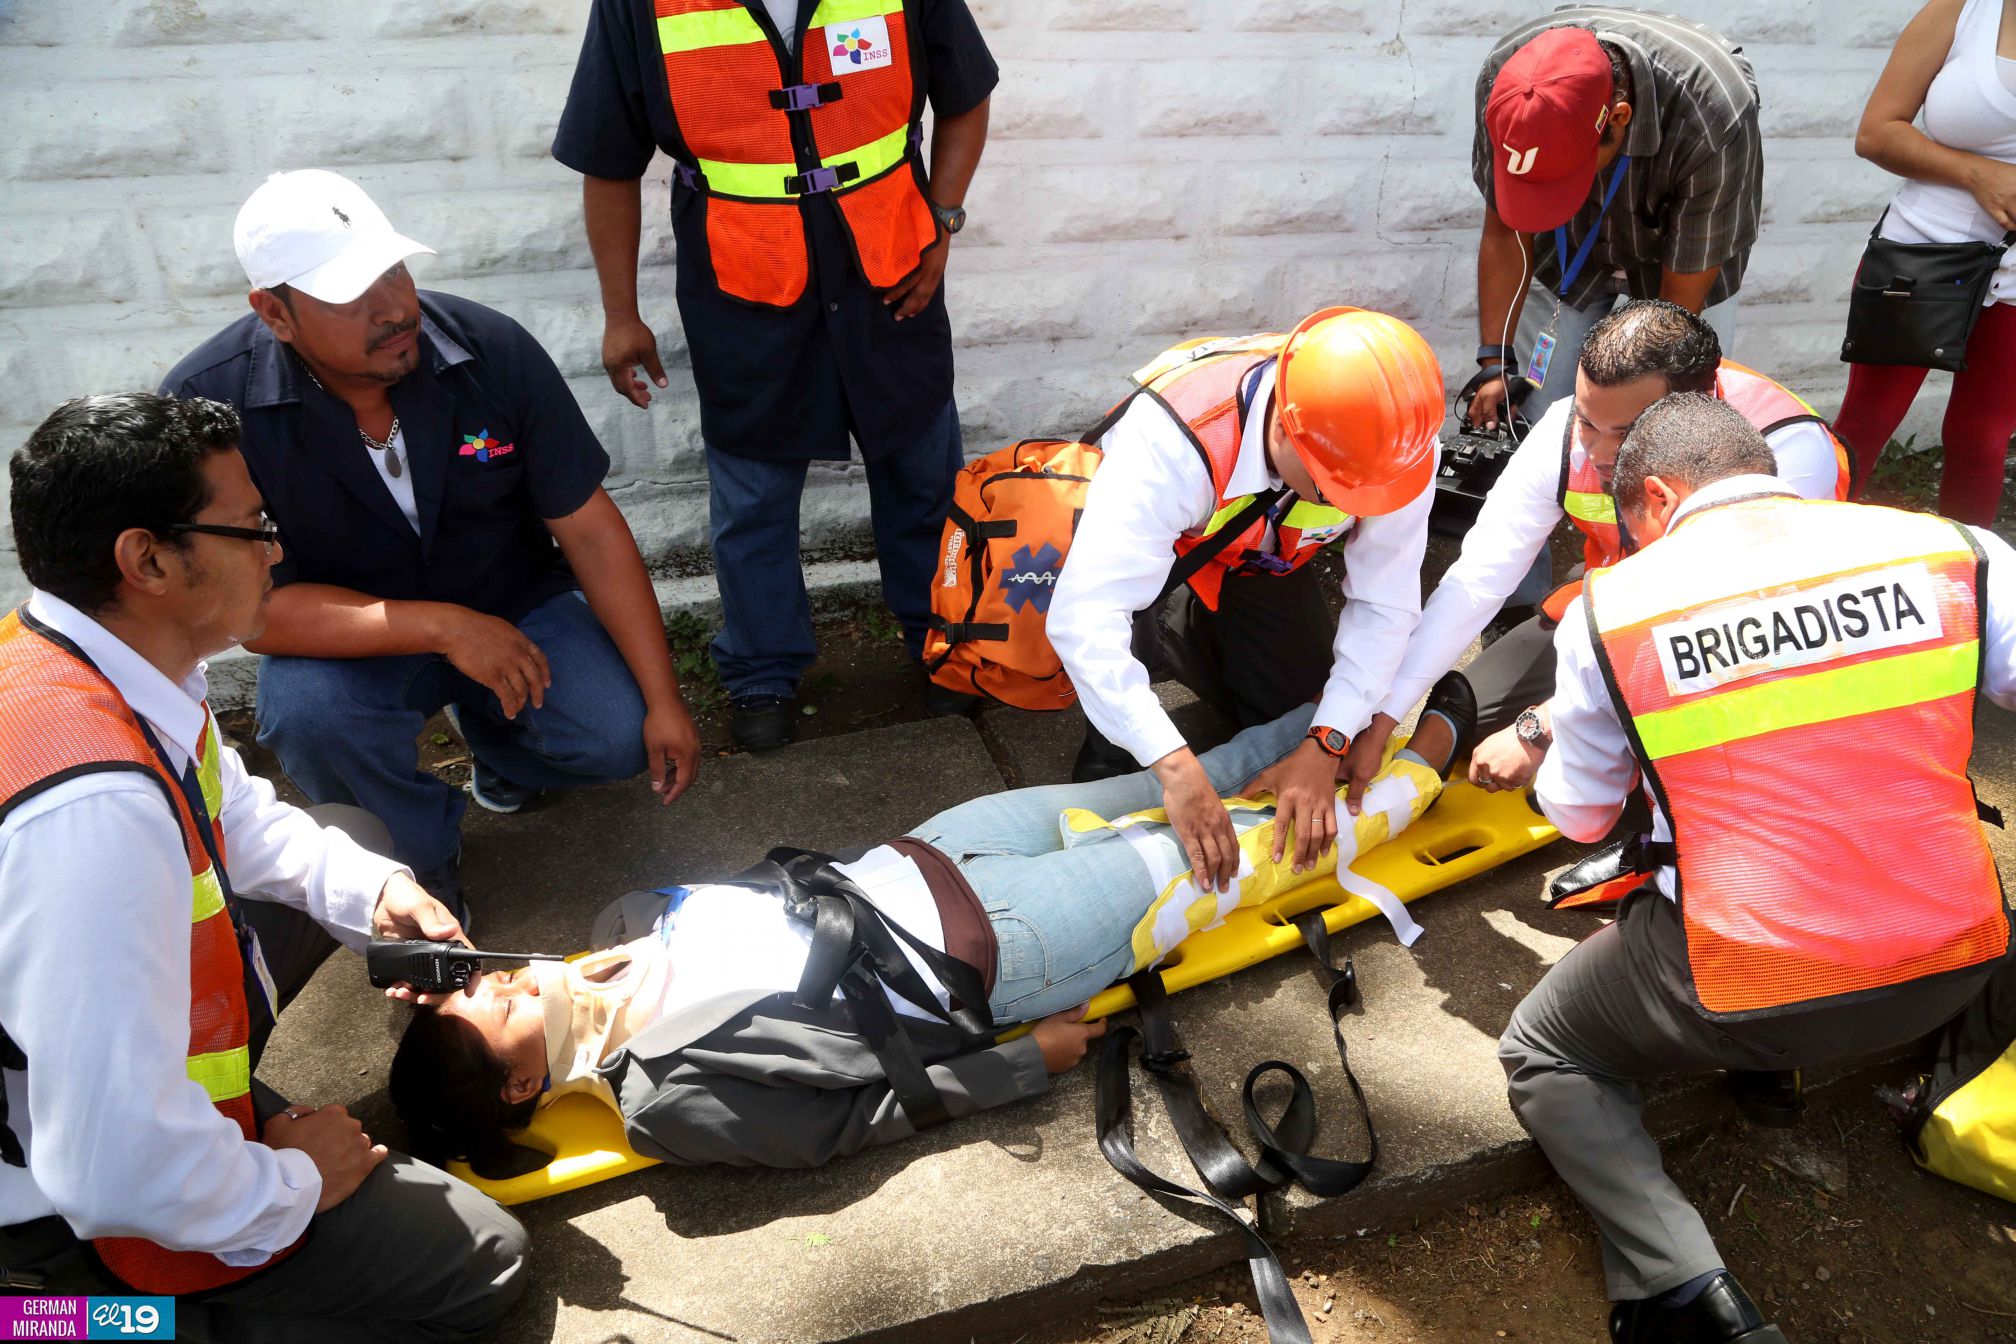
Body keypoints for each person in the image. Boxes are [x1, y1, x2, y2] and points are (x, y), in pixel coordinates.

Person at [389, 676, 1476, 1172]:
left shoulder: (615, 929)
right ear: (524, 1087)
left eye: (475, 985)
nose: (494, 986)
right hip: (1003, 950)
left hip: (943, 845)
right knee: (1236, 852)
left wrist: (516, 977)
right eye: (482, 1017)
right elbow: (845, 1125)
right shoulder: (664, 1103)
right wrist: (1020, 1066)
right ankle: (1431, 752)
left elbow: (716, 907)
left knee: (1211, 773)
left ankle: (1383, 687)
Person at [0, 394, 527, 1341]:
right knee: (479, 1262)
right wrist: (289, 1181)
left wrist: (376, 892)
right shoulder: (93, 815)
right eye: (252, 529)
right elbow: (108, 1166)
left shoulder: (96, 662)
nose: (276, 552)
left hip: (85, 1088)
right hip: (58, 1197)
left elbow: (234, 811)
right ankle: (62, 1323)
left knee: (345, 832)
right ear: (147, 559)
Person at [1502, 392, 2013, 1344]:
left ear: (1655, 498)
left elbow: (1578, 816)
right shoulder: (1955, 549)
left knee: (1546, 1050)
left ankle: (1684, 1290)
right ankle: (1945, 1078)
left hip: (1748, 985)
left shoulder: (1613, 611)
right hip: (1959, 961)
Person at [161, 170, 700, 917]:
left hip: (515, 603)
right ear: (274, 313)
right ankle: (413, 865)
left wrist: (665, 701)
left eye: (395, 271)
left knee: (616, 733)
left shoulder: (488, 350)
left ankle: (502, 751)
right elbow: (248, 616)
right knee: (311, 716)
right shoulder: (210, 412)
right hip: (349, 641)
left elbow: (590, 530)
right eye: (351, 296)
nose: (393, 309)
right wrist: (445, 628)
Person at [553, 0, 996, 752]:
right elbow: (608, 159)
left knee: (923, 473)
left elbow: (967, 94)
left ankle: (941, 640)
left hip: (892, 268)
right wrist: (619, 312)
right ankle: (761, 671)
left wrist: (942, 223)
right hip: (744, 287)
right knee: (753, 502)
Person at [1353, 300, 1850, 798]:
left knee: (1652, 756)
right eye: (1589, 423)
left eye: (1627, 434)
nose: (1599, 453)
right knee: (1457, 708)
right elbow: (1479, 577)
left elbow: (1731, 634)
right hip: (1616, 607)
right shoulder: (1562, 428)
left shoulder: (1785, 448)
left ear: (1693, 414)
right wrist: (1381, 717)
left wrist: (1544, 725)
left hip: (1733, 641)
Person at [1047, 308, 1445, 898]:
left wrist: (1327, 738)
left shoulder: (1396, 444)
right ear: (1284, 429)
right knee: (1129, 746)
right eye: (1335, 489)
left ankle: (1200, 636)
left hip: (1264, 559)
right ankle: (1148, 680)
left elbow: (1386, 604)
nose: (1358, 504)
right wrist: (1176, 769)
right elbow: (1086, 617)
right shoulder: (1174, 443)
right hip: (1162, 558)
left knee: (1294, 726)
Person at [1467, 8, 1762, 440]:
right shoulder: (1508, 85)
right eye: (1537, 185)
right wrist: (1495, 362)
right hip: (1568, 253)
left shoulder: (1713, 114)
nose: (1547, 190)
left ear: (1619, 119)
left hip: (1683, 255)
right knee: (1539, 409)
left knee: (1667, 420)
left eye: (1561, 178)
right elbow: (1503, 230)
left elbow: (1674, 316)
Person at [1836, 0, 2016, 526]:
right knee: (1864, 425)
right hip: (1921, 254)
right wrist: (1978, 174)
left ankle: (1973, 591)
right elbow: (1876, 133)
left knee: (1982, 442)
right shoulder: (1963, 10)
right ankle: (1799, 573)